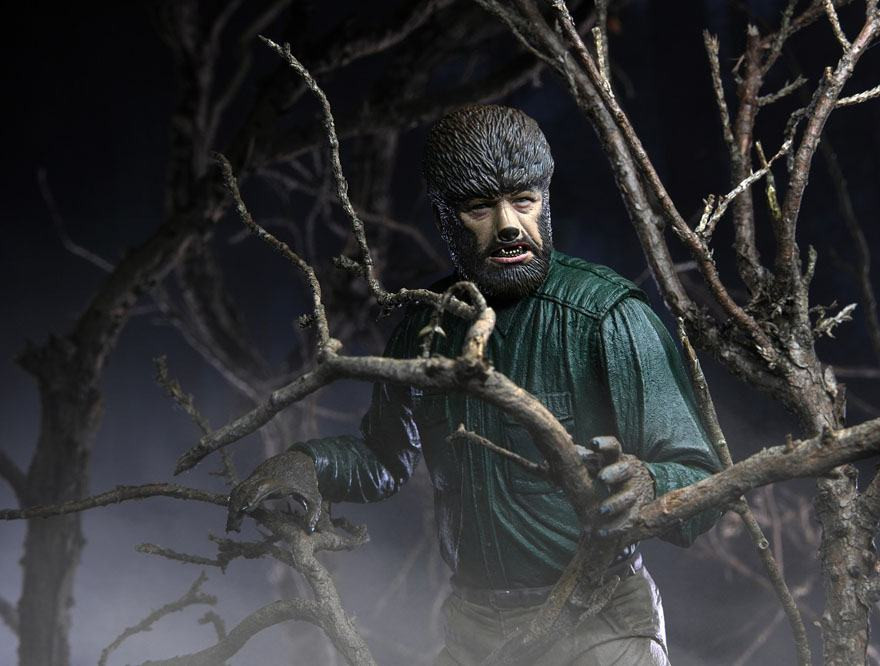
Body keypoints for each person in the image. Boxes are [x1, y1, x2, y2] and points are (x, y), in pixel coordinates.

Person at [227, 105, 721, 665]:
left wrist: (651, 484)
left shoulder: (606, 317)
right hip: (478, 628)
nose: (508, 224)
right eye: (480, 208)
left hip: (601, 620)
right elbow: (385, 457)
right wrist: (310, 464)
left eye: (524, 200)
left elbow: (703, 478)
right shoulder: (425, 327)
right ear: (445, 219)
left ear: (545, 200)